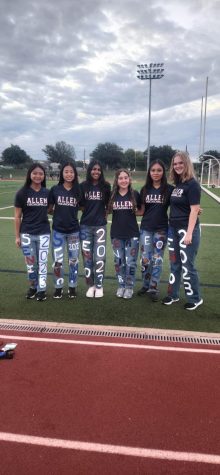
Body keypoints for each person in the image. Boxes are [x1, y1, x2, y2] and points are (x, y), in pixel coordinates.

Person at [162, 151, 203, 310]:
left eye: (181, 163)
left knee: (188, 265)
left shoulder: (192, 184)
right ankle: (173, 294)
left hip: (187, 230)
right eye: (175, 163)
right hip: (173, 228)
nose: (178, 166)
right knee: (175, 264)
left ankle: (195, 298)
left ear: (187, 164)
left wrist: (189, 233)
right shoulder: (178, 184)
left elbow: (194, 210)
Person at [137, 160, 174, 302]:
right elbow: (141, 211)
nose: (156, 173)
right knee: (145, 259)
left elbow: (178, 205)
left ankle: (154, 287)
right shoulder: (145, 189)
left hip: (161, 230)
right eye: (153, 170)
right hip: (146, 229)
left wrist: (194, 209)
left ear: (163, 172)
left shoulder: (169, 189)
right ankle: (146, 285)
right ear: (149, 172)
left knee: (157, 259)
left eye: (159, 170)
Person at [14, 163, 50, 301]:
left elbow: (51, 210)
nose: (38, 176)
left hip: (44, 232)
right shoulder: (22, 193)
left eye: (41, 173)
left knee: (42, 262)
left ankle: (41, 289)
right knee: (30, 263)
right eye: (35, 173)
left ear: (44, 176)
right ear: (30, 174)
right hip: (27, 233)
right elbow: (17, 217)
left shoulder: (47, 193)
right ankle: (33, 287)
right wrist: (17, 236)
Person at [48, 162, 81, 299]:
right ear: (62, 173)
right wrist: (59, 214)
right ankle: (58, 287)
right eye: (66, 171)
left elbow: (83, 207)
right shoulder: (55, 189)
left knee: (73, 260)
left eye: (71, 172)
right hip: (58, 231)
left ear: (75, 174)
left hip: (73, 230)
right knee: (58, 261)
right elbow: (49, 209)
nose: (69, 174)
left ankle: (72, 286)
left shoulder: (79, 190)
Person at [108, 169, 141, 299]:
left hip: (132, 234)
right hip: (116, 234)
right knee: (118, 262)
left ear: (129, 179)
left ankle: (129, 287)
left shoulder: (135, 194)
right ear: (117, 180)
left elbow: (144, 209)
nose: (123, 180)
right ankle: (121, 285)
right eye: (120, 178)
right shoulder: (112, 195)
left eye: (125, 178)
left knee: (131, 262)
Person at [80, 160, 111, 298]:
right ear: (89, 170)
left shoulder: (105, 186)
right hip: (85, 226)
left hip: (100, 227)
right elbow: (80, 205)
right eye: (93, 169)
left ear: (101, 171)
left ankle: (99, 285)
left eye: (98, 169)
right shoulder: (83, 186)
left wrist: (102, 214)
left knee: (100, 258)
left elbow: (109, 205)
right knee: (87, 258)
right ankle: (90, 285)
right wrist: (89, 212)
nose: (96, 171)